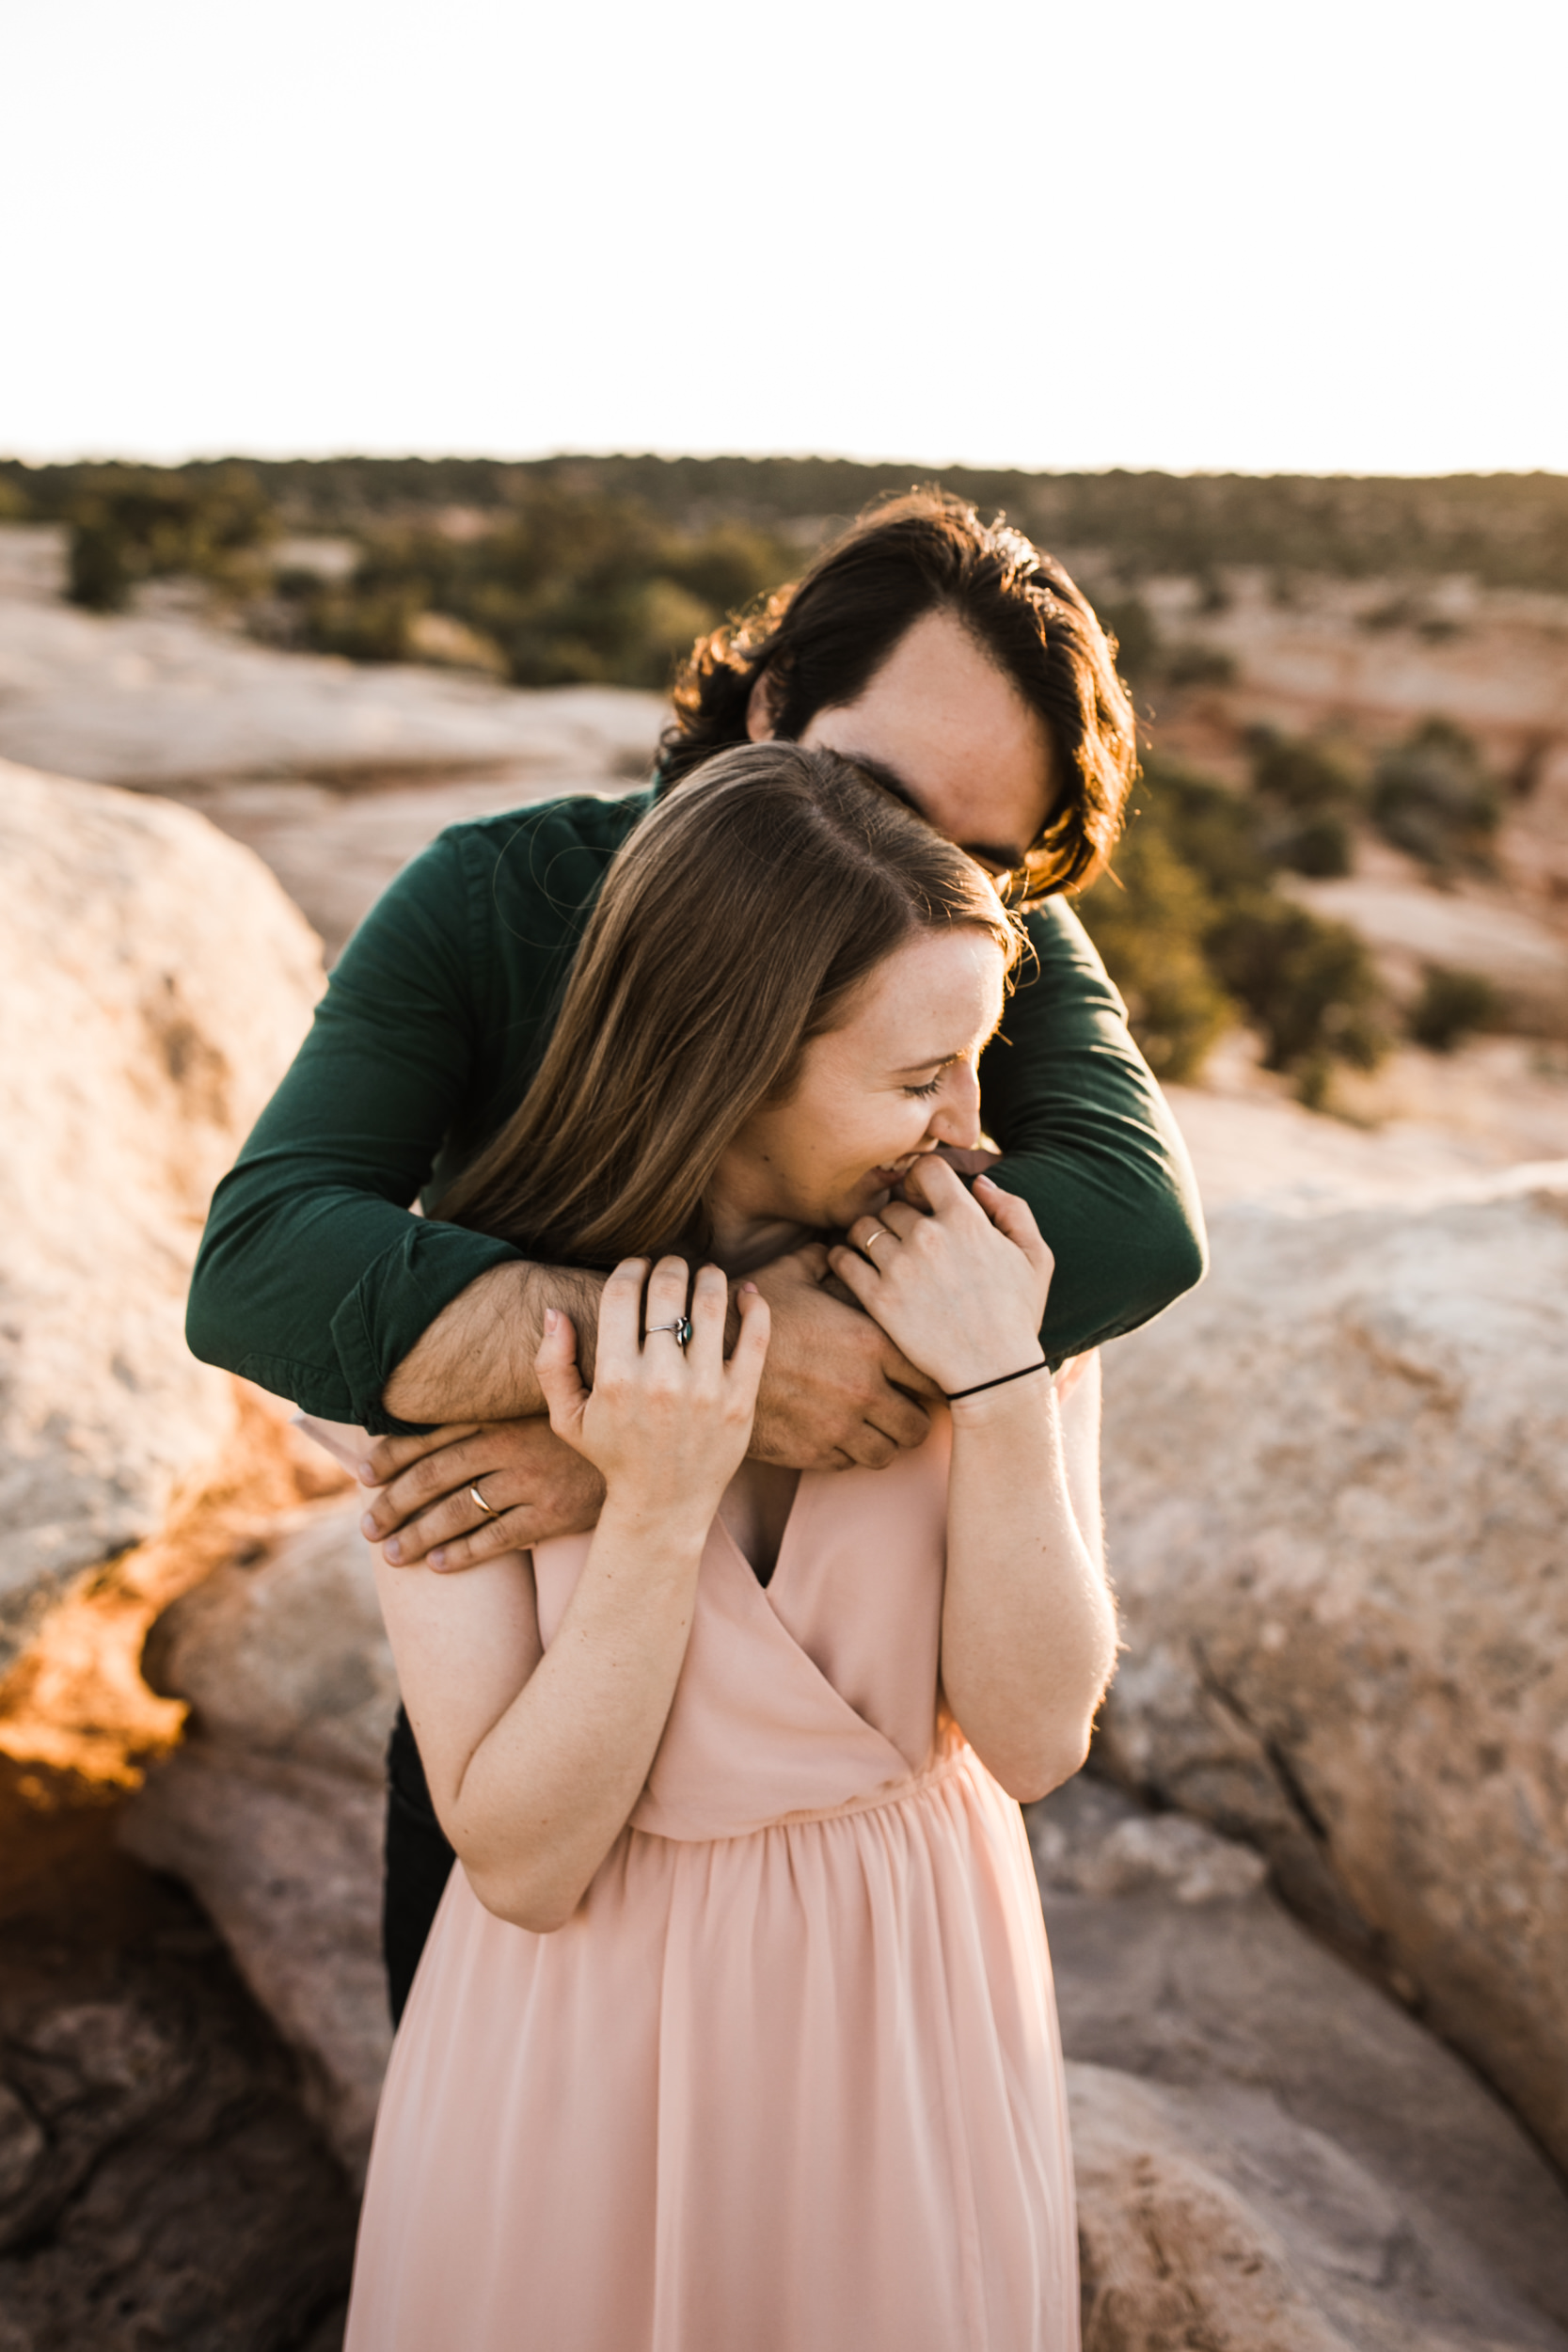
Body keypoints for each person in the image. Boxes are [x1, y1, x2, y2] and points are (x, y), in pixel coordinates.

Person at [185, 489, 1206, 2016]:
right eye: (874, 786)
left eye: (981, 855)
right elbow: (266, 1264)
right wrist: (735, 1357)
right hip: (536, 1715)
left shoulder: (966, 924)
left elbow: (1135, 1219)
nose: (903, 863)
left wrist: (644, 1448)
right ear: (771, 701)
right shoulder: (495, 893)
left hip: (857, 1804)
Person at [342, 745, 1115, 2352]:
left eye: (979, 1062)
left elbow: (1037, 1739)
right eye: (922, 1080)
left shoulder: (986, 1274)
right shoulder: (466, 1345)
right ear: (736, 1064)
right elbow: (525, 1864)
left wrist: (1008, 1391)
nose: (978, 1129)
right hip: (581, 2049)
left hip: (908, 2014)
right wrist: (659, 1499)